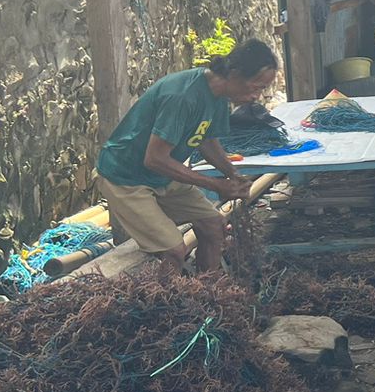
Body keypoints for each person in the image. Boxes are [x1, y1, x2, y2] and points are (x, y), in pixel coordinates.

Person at [96, 40, 277, 274]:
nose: (257, 96)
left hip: (159, 176)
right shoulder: (183, 96)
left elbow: (205, 139)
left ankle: (208, 290)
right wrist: (215, 184)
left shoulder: (219, 97)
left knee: (214, 226)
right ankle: (169, 297)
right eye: (256, 87)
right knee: (174, 249)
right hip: (126, 177)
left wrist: (232, 174)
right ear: (235, 73)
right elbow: (155, 159)